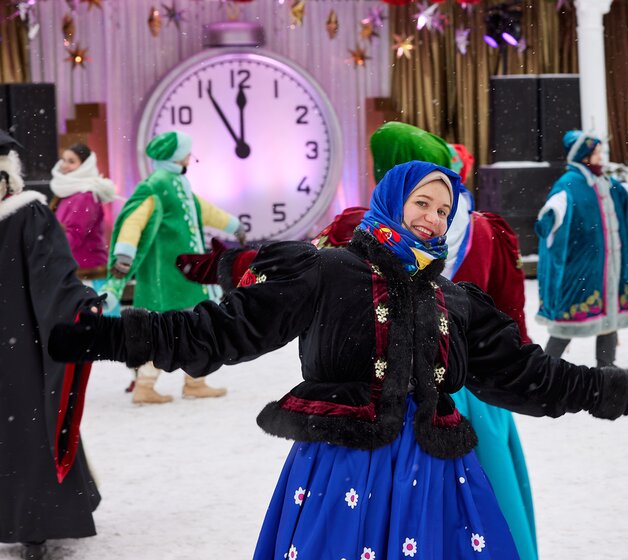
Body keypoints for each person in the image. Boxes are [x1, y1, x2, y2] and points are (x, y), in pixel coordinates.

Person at [50, 160, 628, 560]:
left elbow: (526, 376)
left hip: (436, 478)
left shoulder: (455, 302)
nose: (433, 220)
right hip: (343, 471)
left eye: (443, 211)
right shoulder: (327, 272)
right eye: (422, 204)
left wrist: (615, 392)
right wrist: (111, 336)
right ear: (391, 202)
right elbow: (221, 330)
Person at [180, 122, 540, 560]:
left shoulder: (357, 227)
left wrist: (220, 266)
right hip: (466, 396)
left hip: (374, 398)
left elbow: (287, 274)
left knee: (363, 519)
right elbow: (510, 318)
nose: (432, 215)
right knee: (463, 520)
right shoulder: (489, 230)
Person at [0, 130, 102, 560]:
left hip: (17, 351)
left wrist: (81, 308)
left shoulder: (27, 216)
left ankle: (35, 524)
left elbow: (56, 278)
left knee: (27, 429)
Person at [103, 130, 245, 404]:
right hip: (167, 277)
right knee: (168, 330)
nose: (191, 157)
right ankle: (147, 385)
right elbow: (134, 219)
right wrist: (124, 253)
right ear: (178, 157)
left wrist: (232, 224)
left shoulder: (179, 184)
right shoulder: (155, 185)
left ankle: (194, 381)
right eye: (188, 153)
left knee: (192, 328)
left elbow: (202, 209)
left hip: (187, 275)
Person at [536, 130, 628, 365]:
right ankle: (542, 371)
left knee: (609, 319)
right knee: (565, 325)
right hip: (581, 273)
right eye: (596, 153)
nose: (601, 157)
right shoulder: (570, 184)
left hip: (611, 270)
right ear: (584, 157)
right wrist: (549, 218)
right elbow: (557, 205)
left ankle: (606, 366)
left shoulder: (608, 184)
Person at [50, 143, 117, 292]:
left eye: (71, 161)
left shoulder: (85, 196)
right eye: (64, 160)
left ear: (85, 166)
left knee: (95, 314)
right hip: (76, 269)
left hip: (87, 273)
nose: (65, 165)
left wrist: (50, 254)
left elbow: (74, 235)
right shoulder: (68, 192)